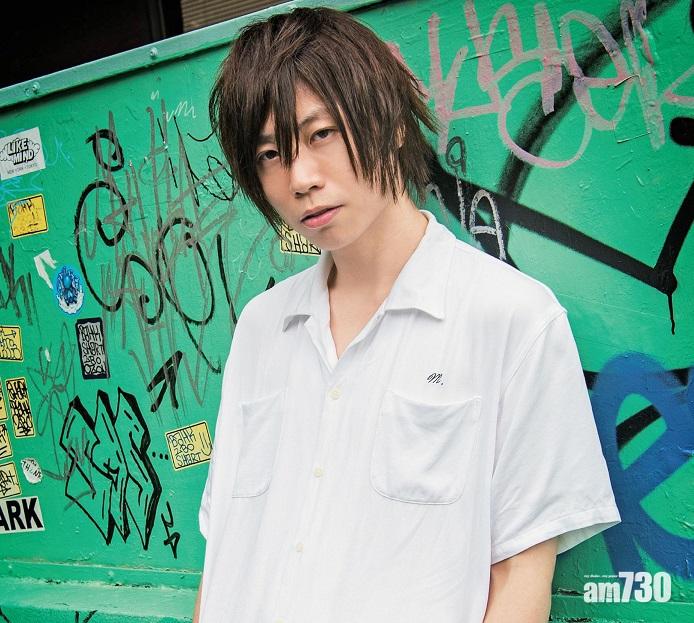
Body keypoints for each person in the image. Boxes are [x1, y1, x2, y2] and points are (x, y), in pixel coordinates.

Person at [195, 6, 621, 622]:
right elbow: (225, 556)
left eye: (322, 134)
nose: (301, 178)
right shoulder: (261, 328)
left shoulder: (512, 320)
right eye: (269, 154)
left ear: (390, 123)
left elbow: (520, 582)